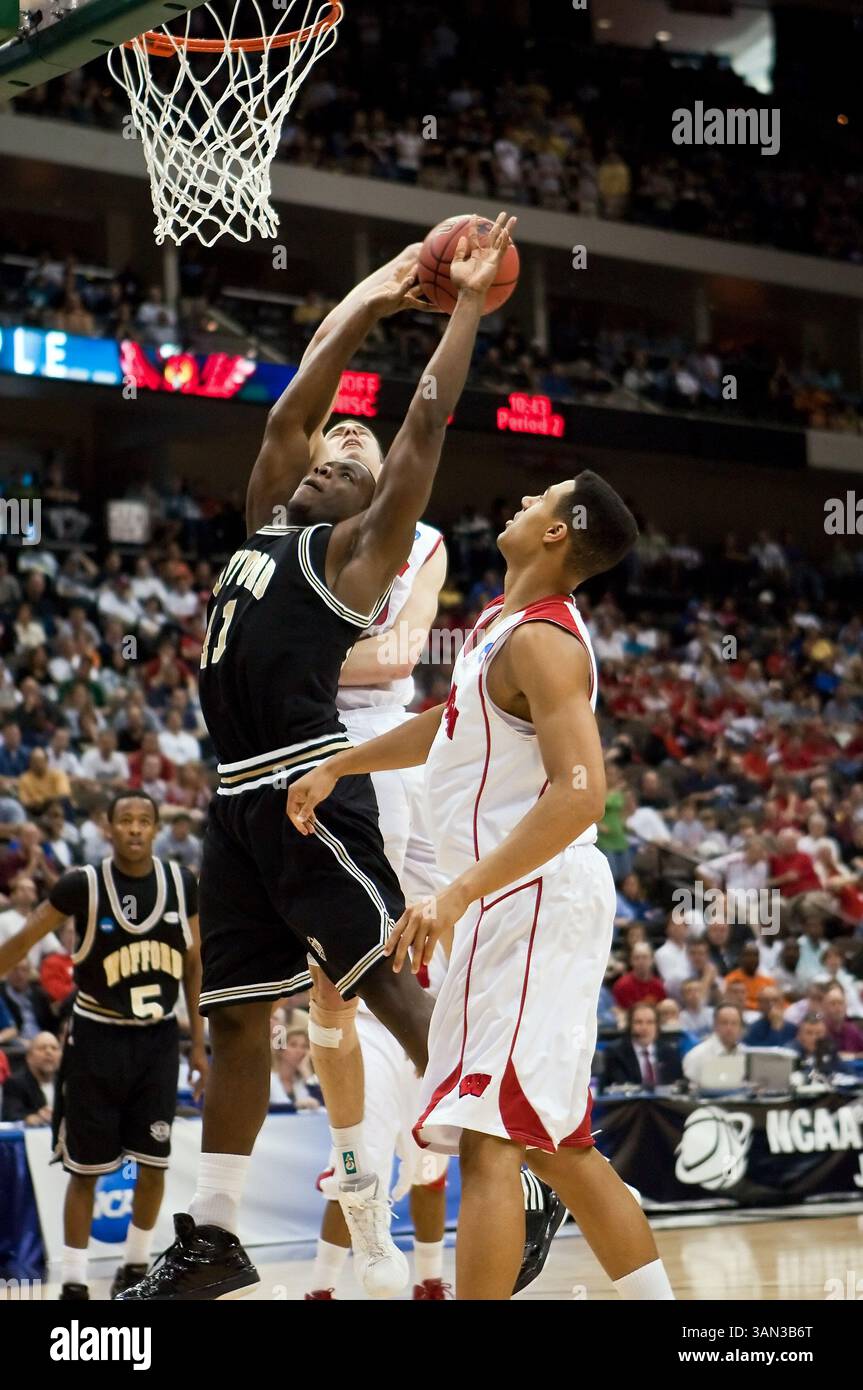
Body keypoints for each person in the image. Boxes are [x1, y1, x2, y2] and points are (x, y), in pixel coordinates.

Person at [120, 218, 521, 1303]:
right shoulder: (260, 520)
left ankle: (503, 1157)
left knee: (379, 984)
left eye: (356, 454)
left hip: (305, 788)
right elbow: (299, 395)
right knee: (237, 1016)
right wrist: (376, 294)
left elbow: (425, 425)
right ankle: (215, 1234)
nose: (336, 447)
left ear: (370, 501)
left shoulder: (351, 557)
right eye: (332, 445)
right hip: (232, 799)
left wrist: (467, 311)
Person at [289, 469, 675, 1301]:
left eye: (538, 497)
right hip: (505, 902)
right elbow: (442, 726)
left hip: (533, 897)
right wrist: (343, 763)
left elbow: (581, 794)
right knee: (557, 1146)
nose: (519, 498)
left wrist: (458, 892)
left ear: (557, 532)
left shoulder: (545, 641)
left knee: (488, 1136)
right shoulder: (499, 627)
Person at [306, 495, 451, 1301]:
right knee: (352, 954)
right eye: (336, 439)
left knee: (454, 917)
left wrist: (309, 650)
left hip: (400, 735)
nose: (351, 446)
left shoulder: (423, 542)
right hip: (331, 742)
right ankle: (347, 1254)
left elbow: (398, 657)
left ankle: (503, 1121)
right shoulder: (297, 536)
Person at [0, 790, 206, 1301]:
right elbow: (25, 940)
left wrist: (199, 1044)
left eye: (144, 820)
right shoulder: (82, 885)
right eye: (126, 820)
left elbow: (195, 964)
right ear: (108, 828)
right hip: (97, 1038)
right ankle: (73, 1279)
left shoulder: (182, 885)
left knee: (154, 1161)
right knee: (85, 1168)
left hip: (159, 1039)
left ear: (155, 829)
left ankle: (135, 1268)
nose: (135, 828)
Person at [602, 1003, 683, 1090]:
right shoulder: (616, 1053)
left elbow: (677, 1086)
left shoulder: (670, 1053)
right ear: (630, 1026)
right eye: (638, 1022)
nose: (644, 1028)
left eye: (650, 1022)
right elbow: (620, 1086)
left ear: (657, 1026)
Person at [1, 1031, 61, 1124]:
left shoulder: (68, 1084)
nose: (49, 1052)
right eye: (42, 1048)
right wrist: (33, 1118)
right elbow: (11, 1115)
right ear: (29, 1056)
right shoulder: (15, 1083)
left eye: (54, 1048)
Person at [682, 1003, 747, 1088]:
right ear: (715, 1026)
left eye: (734, 1023)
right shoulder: (696, 1055)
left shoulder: (747, 1054)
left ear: (740, 1027)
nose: (729, 1028)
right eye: (724, 1023)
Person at [722, 941, 776, 1012]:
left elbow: (774, 1002)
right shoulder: (731, 979)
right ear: (741, 958)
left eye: (755, 955)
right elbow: (731, 1002)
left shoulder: (768, 981)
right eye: (748, 955)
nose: (752, 959)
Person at [612, 941, 667, 1011]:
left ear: (652, 960)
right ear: (631, 961)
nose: (641, 961)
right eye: (637, 958)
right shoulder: (621, 986)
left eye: (645, 957)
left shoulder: (659, 986)